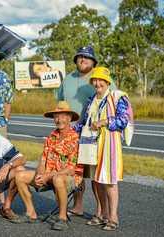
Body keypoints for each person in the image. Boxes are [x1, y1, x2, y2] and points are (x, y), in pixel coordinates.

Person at [57, 45, 115, 219]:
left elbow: (113, 103)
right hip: (72, 133)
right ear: (76, 60)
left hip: (95, 135)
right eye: (80, 57)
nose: (83, 60)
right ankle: (78, 206)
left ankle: (102, 211)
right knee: (77, 172)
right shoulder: (67, 79)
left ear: (93, 61)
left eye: (87, 58)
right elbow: (60, 103)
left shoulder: (100, 79)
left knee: (97, 176)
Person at [73, 66, 133, 231]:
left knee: (109, 180)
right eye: (95, 80)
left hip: (109, 144)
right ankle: (101, 213)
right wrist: (69, 133)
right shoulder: (92, 99)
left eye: (101, 80)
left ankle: (113, 216)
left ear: (107, 82)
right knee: (96, 180)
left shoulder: (117, 97)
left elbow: (123, 121)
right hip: (91, 145)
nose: (98, 83)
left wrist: (104, 122)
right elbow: (83, 123)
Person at [12, 101, 83, 231]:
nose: (58, 119)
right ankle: (31, 213)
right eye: (56, 116)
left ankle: (62, 218)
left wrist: (48, 176)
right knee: (20, 176)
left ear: (69, 118)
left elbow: (71, 169)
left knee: (57, 179)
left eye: (62, 116)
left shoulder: (75, 138)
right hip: (48, 175)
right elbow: (43, 159)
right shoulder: (51, 136)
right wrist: (40, 174)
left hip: (68, 178)